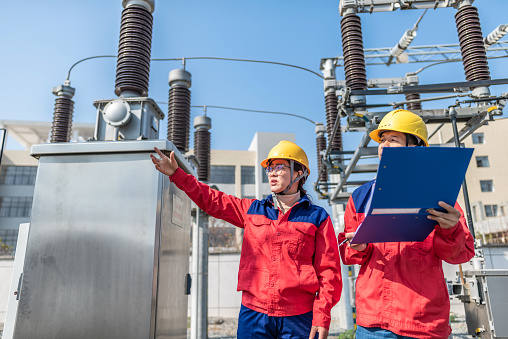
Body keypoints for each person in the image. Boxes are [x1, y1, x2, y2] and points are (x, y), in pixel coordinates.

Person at [151, 140, 342, 339]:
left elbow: (329, 272)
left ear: (298, 173)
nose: (272, 173)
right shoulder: (252, 210)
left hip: (299, 317)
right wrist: (176, 175)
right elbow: (212, 200)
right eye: (269, 168)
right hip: (254, 313)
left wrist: (322, 315)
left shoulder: (318, 218)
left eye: (279, 167)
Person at [338, 109, 475, 339]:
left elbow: (461, 254)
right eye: (382, 140)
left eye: (393, 139)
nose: (384, 145)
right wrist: (357, 247)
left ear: (416, 147)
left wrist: (452, 229)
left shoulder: (439, 194)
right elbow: (348, 254)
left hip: (423, 324)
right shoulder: (360, 197)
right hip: (374, 323)